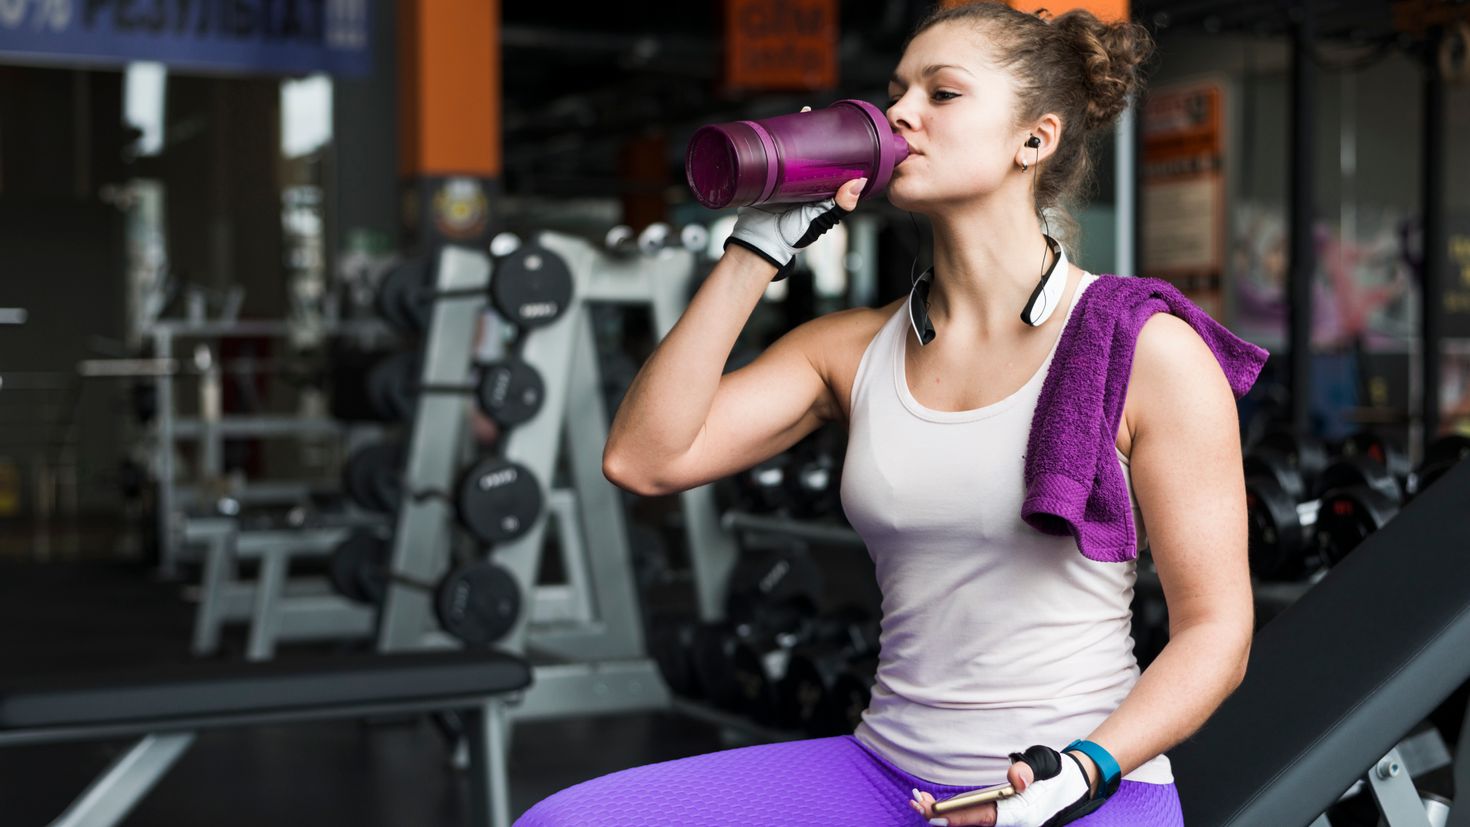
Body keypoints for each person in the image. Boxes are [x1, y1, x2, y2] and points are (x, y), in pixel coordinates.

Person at [517, 3, 1260, 825]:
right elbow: (643, 459)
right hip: (886, 772)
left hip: (1075, 784)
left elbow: (1216, 632)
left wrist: (1081, 771)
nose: (899, 113)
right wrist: (752, 252)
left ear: (1034, 140)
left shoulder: (1145, 350)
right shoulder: (846, 350)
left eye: (942, 94)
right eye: (896, 89)